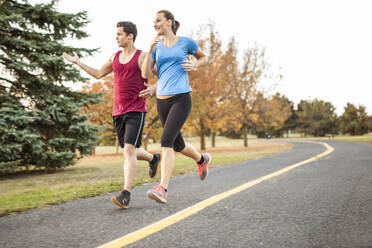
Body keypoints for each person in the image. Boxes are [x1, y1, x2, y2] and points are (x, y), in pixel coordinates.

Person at [63, 21, 161, 209]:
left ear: (130, 36)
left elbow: (163, 74)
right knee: (129, 150)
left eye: (119, 34)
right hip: (118, 111)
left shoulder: (142, 57)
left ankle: (126, 193)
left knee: (128, 151)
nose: (116, 37)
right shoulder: (114, 57)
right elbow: (99, 74)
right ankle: (153, 158)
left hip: (136, 109)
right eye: (116, 34)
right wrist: (78, 62)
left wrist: (154, 88)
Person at [141, 10, 211, 204]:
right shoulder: (156, 47)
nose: (155, 23)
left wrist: (195, 65)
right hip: (162, 101)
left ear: (169, 22)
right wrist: (149, 49)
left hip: (181, 98)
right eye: (153, 21)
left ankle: (162, 188)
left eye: (158, 20)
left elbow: (203, 57)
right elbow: (145, 73)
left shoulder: (185, 42)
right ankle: (201, 159)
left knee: (166, 141)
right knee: (178, 145)